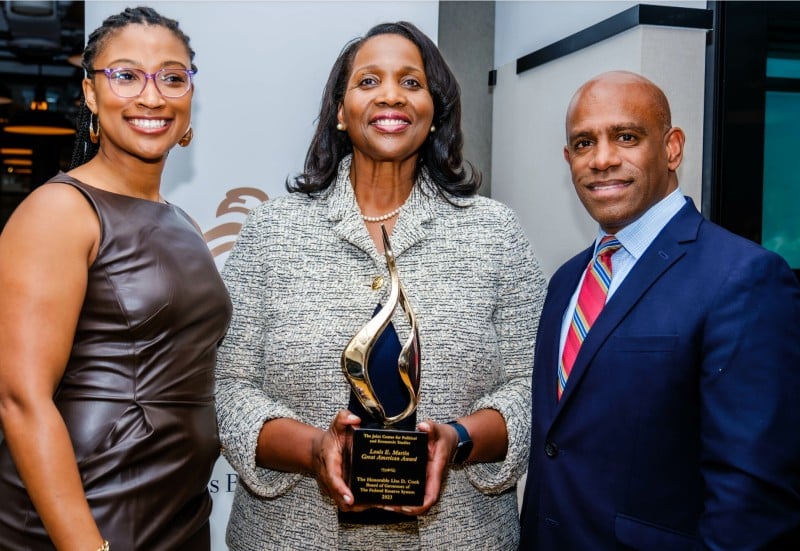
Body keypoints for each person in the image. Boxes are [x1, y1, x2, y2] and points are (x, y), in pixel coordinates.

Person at [215, 21, 546, 550]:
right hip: (291, 537)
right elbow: (226, 383)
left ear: (435, 111)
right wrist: (312, 449)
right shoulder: (271, 231)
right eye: (368, 81)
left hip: (460, 538)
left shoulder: (495, 232)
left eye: (411, 83)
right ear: (341, 113)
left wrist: (457, 440)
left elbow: (534, 385)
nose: (391, 94)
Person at [518, 70, 800, 549]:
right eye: (584, 144)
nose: (602, 159)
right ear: (569, 160)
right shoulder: (567, 280)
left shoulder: (745, 278)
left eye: (626, 137)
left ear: (671, 148)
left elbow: (751, 500)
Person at [0, 7, 231, 550]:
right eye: (126, 75)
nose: (152, 97)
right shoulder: (59, 210)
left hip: (178, 510)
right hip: (90, 509)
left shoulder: (183, 222)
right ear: (89, 93)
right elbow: (21, 398)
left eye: (172, 77)